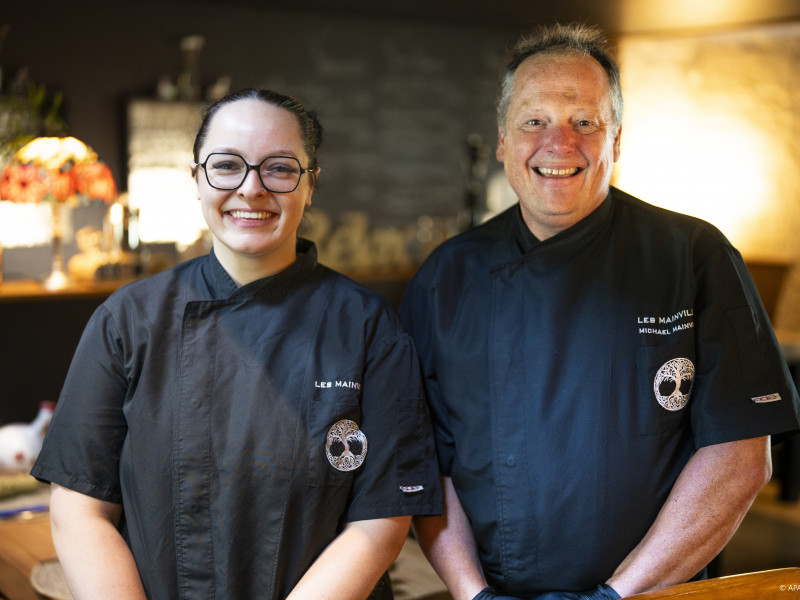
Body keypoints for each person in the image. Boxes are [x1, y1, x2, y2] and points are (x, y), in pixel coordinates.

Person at [400, 23, 800, 600]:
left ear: (616, 139)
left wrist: (616, 596)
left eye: (584, 122)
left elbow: (740, 457)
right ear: (503, 141)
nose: (558, 143)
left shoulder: (693, 256)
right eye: (533, 122)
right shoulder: (445, 278)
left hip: (656, 593)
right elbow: (424, 461)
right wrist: (471, 593)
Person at [31, 88, 442, 600]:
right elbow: (80, 508)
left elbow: (380, 522)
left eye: (280, 168)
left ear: (310, 185)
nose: (251, 189)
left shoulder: (368, 326)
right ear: (197, 179)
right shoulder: (129, 319)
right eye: (227, 165)